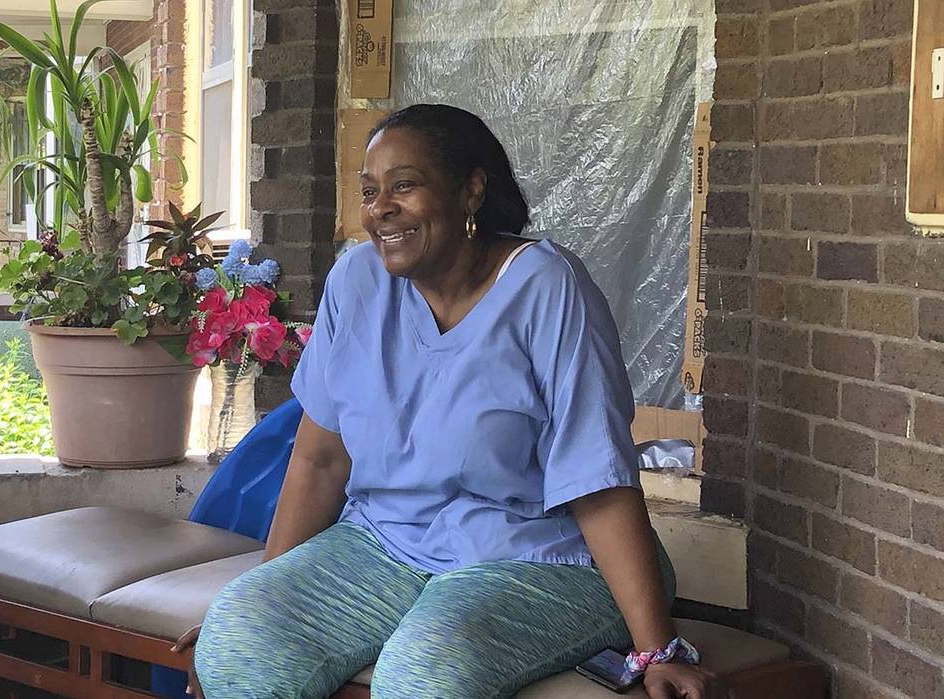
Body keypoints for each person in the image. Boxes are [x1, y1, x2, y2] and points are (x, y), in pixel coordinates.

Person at [173, 104, 717, 699]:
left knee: (422, 678)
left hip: (537, 557)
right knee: (241, 635)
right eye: (370, 191)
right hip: (385, 544)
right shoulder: (356, 282)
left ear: (471, 191)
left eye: (404, 185)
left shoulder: (547, 290)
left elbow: (596, 478)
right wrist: (274, 600)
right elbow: (320, 460)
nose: (381, 208)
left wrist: (657, 648)